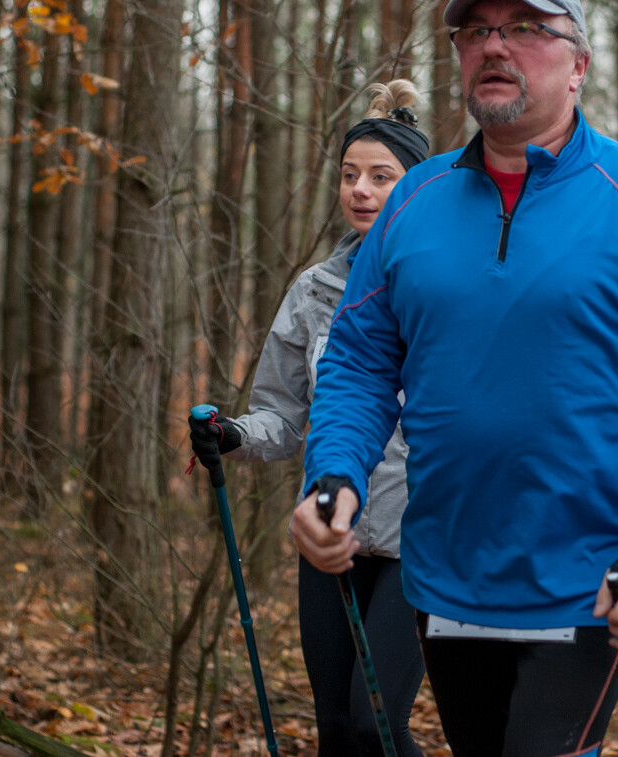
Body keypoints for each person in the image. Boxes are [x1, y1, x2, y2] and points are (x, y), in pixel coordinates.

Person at [290, 0, 618, 757]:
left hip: (589, 580)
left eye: (526, 29)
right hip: (446, 577)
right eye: (477, 31)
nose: (496, 46)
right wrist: (334, 475)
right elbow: (360, 362)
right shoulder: (415, 202)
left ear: (577, 65)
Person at [190, 81, 430, 757]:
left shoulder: (446, 286)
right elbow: (284, 413)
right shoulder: (316, 289)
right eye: (350, 175)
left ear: (415, 187)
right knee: (334, 731)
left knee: (373, 723)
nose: (361, 189)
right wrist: (234, 433)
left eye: (381, 176)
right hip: (329, 530)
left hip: (419, 537)